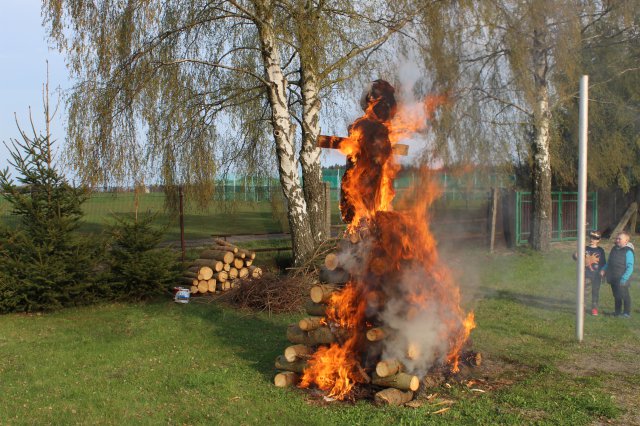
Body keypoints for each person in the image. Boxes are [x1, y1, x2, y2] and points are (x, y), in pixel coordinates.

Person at [601, 231, 634, 318]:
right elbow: (609, 262)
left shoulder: (628, 252)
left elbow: (630, 267)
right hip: (613, 278)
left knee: (625, 295)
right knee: (616, 295)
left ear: (626, 241)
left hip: (623, 279)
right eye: (617, 238)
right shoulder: (614, 249)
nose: (617, 240)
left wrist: (624, 278)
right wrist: (604, 269)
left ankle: (626, 313)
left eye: (620, 239)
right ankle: (617, 312)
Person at [583, 231, 606, 316]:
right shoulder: (584, 248)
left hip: (597, 276)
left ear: (599, 240)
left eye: (595, 238)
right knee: (585, 292)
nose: (593, 239)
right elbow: (577, 257)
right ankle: (583, 307)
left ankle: (594, 308)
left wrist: (603, 274)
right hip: (586, 275)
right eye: (592, 237)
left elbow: (603, 263)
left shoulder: (601, 250)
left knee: (595, 292)